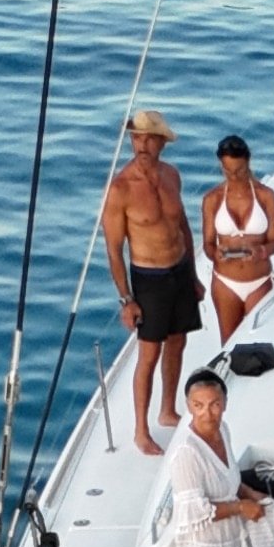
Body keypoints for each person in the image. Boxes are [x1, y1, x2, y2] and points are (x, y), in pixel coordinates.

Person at [101, 109, 197, 449]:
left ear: (161, 143)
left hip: (179, 269)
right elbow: (114, 250)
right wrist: (127, 299)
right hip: (149, 276)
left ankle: (167, 410)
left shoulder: (171, 175)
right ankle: (141, 431)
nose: (141, 145)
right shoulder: (120, 189)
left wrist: (193, 274)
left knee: (178, 341)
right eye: (136, 138)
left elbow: (182, 226)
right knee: (149, 353)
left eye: (148, 139)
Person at [164, 369, 274, 547]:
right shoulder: (186, 453)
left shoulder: (223, 430)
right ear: (189, 407)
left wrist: (250, 493)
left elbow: (227, 479)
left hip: (234, 537)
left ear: (225, 404)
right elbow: (194, 513)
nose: (207, 414)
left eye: (214, 404)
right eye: (198, 405)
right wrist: (240, 507)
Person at [202, 133, 274, 341]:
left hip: (259, 280)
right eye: (227, 171)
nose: (234, 176)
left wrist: (261, 251)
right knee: (229, 343)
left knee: (259, 341)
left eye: (239, 170)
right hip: (225, 283)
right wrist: (216, 254)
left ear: (248, 163)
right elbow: (208, 244)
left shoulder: (266, 196)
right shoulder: (212, 199)